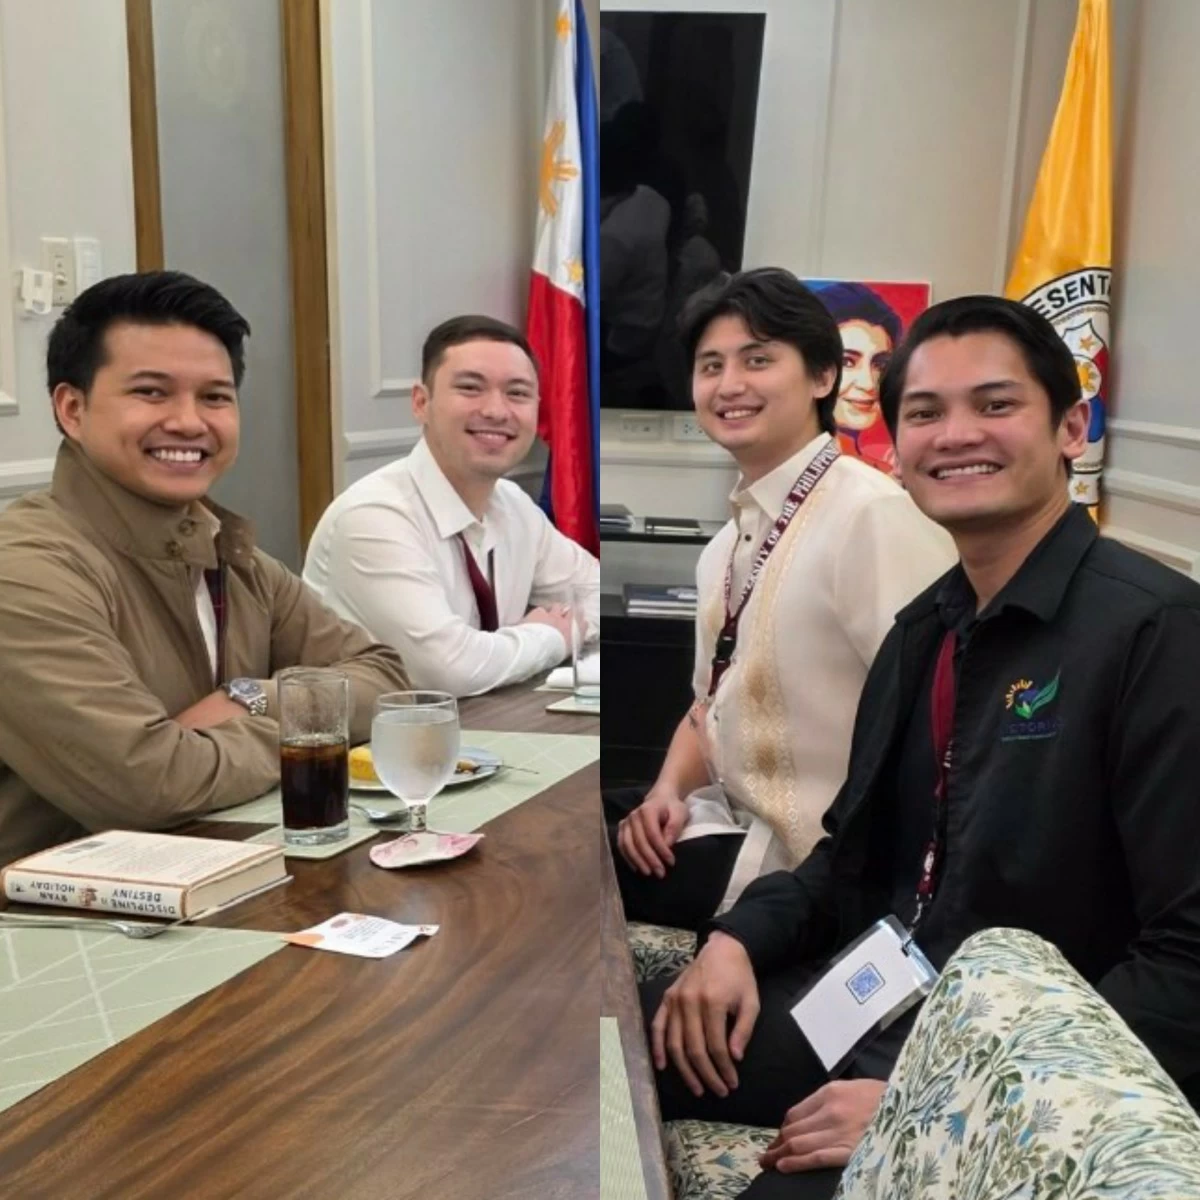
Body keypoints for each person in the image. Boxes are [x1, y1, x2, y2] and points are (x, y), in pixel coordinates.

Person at [643, 294, 1200, 1199]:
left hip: (1036, 1074)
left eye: (994, 405)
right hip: (888, 993)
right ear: (894, 448)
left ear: (1071, 426)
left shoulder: (1155, 632)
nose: (955, 435)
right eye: (925, 413)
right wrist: (736, 942)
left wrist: (940, 1097)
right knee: (632, 1040)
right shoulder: (926, 628)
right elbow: (855, 856)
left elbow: (1187, 958)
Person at [0, 271, 410, 868]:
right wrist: (307, 730)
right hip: (51, 928)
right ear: (72, 409)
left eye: (215, 397)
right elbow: (149, 788)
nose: (190, 423)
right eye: (151, 392)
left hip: (217, 879)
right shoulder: (27, 571)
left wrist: (250, 698)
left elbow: (386, 680)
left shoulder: (229, 550)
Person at [605, 270, 954, 932]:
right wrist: (665, 792)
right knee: (565, 826)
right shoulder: (728, 543)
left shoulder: (873, 517)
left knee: (564, 872)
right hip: (727, 815)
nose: (729, 385)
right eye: (712, 365)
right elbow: (707, 707)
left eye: (758, 359)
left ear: (823, 377)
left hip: (813, 869)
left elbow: (936, 728)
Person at [303, 315, 598, 698]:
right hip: (363, 749)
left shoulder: (514, 505)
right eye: (471, 388)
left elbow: (590, 592)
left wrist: (530, 640)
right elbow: (450, 670)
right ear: (421, 403)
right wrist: (549, 635)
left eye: (518, 393)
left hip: (482, 734)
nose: (496, 410)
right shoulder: (373, 517)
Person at [816, 282, 902, 476]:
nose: (869, 384)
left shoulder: (888, 475)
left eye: (879, 364)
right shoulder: (789, 472)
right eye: (847, 362)